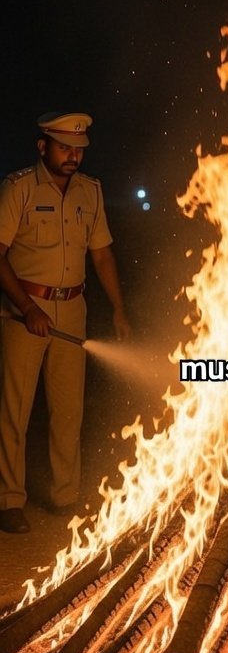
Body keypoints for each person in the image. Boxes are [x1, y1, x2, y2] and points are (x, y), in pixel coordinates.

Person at [0, 112, 131, 534]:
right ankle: (9, 500)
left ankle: (64, 496)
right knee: (15, 410)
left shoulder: (90, 192)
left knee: (68, 410)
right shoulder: (19, 188)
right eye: (64, 148)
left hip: (73, 309)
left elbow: (102, 255)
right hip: (24, 310)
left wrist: (118, 309)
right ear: (43, 147)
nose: (73, 156)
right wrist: (27, 308)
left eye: (79, 149)